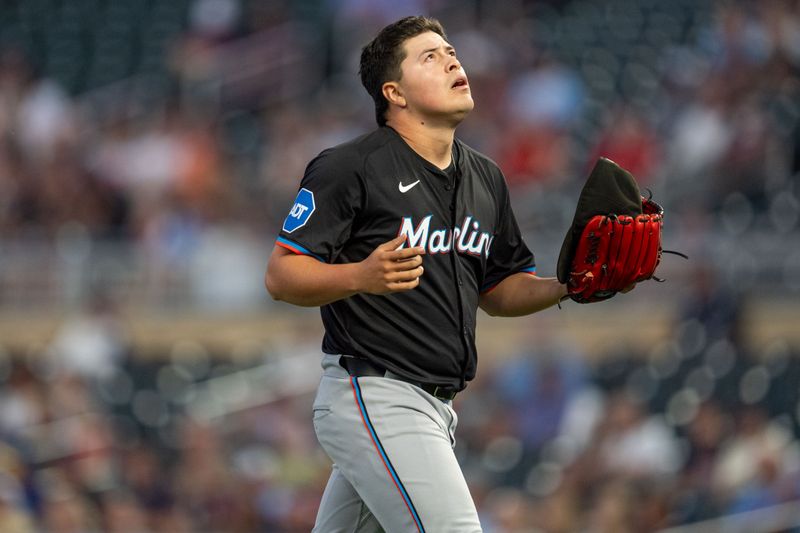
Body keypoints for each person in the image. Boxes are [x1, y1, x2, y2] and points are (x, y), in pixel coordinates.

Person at [265, 15, 568, 532]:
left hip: (435, 408)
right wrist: (359, 275)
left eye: (451, 51)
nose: (452, 59)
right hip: (375, 393)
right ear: (394, 92)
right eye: (430, 56)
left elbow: (497, 290)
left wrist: (571, 286)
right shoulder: (350, 166)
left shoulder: (485, 177)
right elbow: (281, 274)